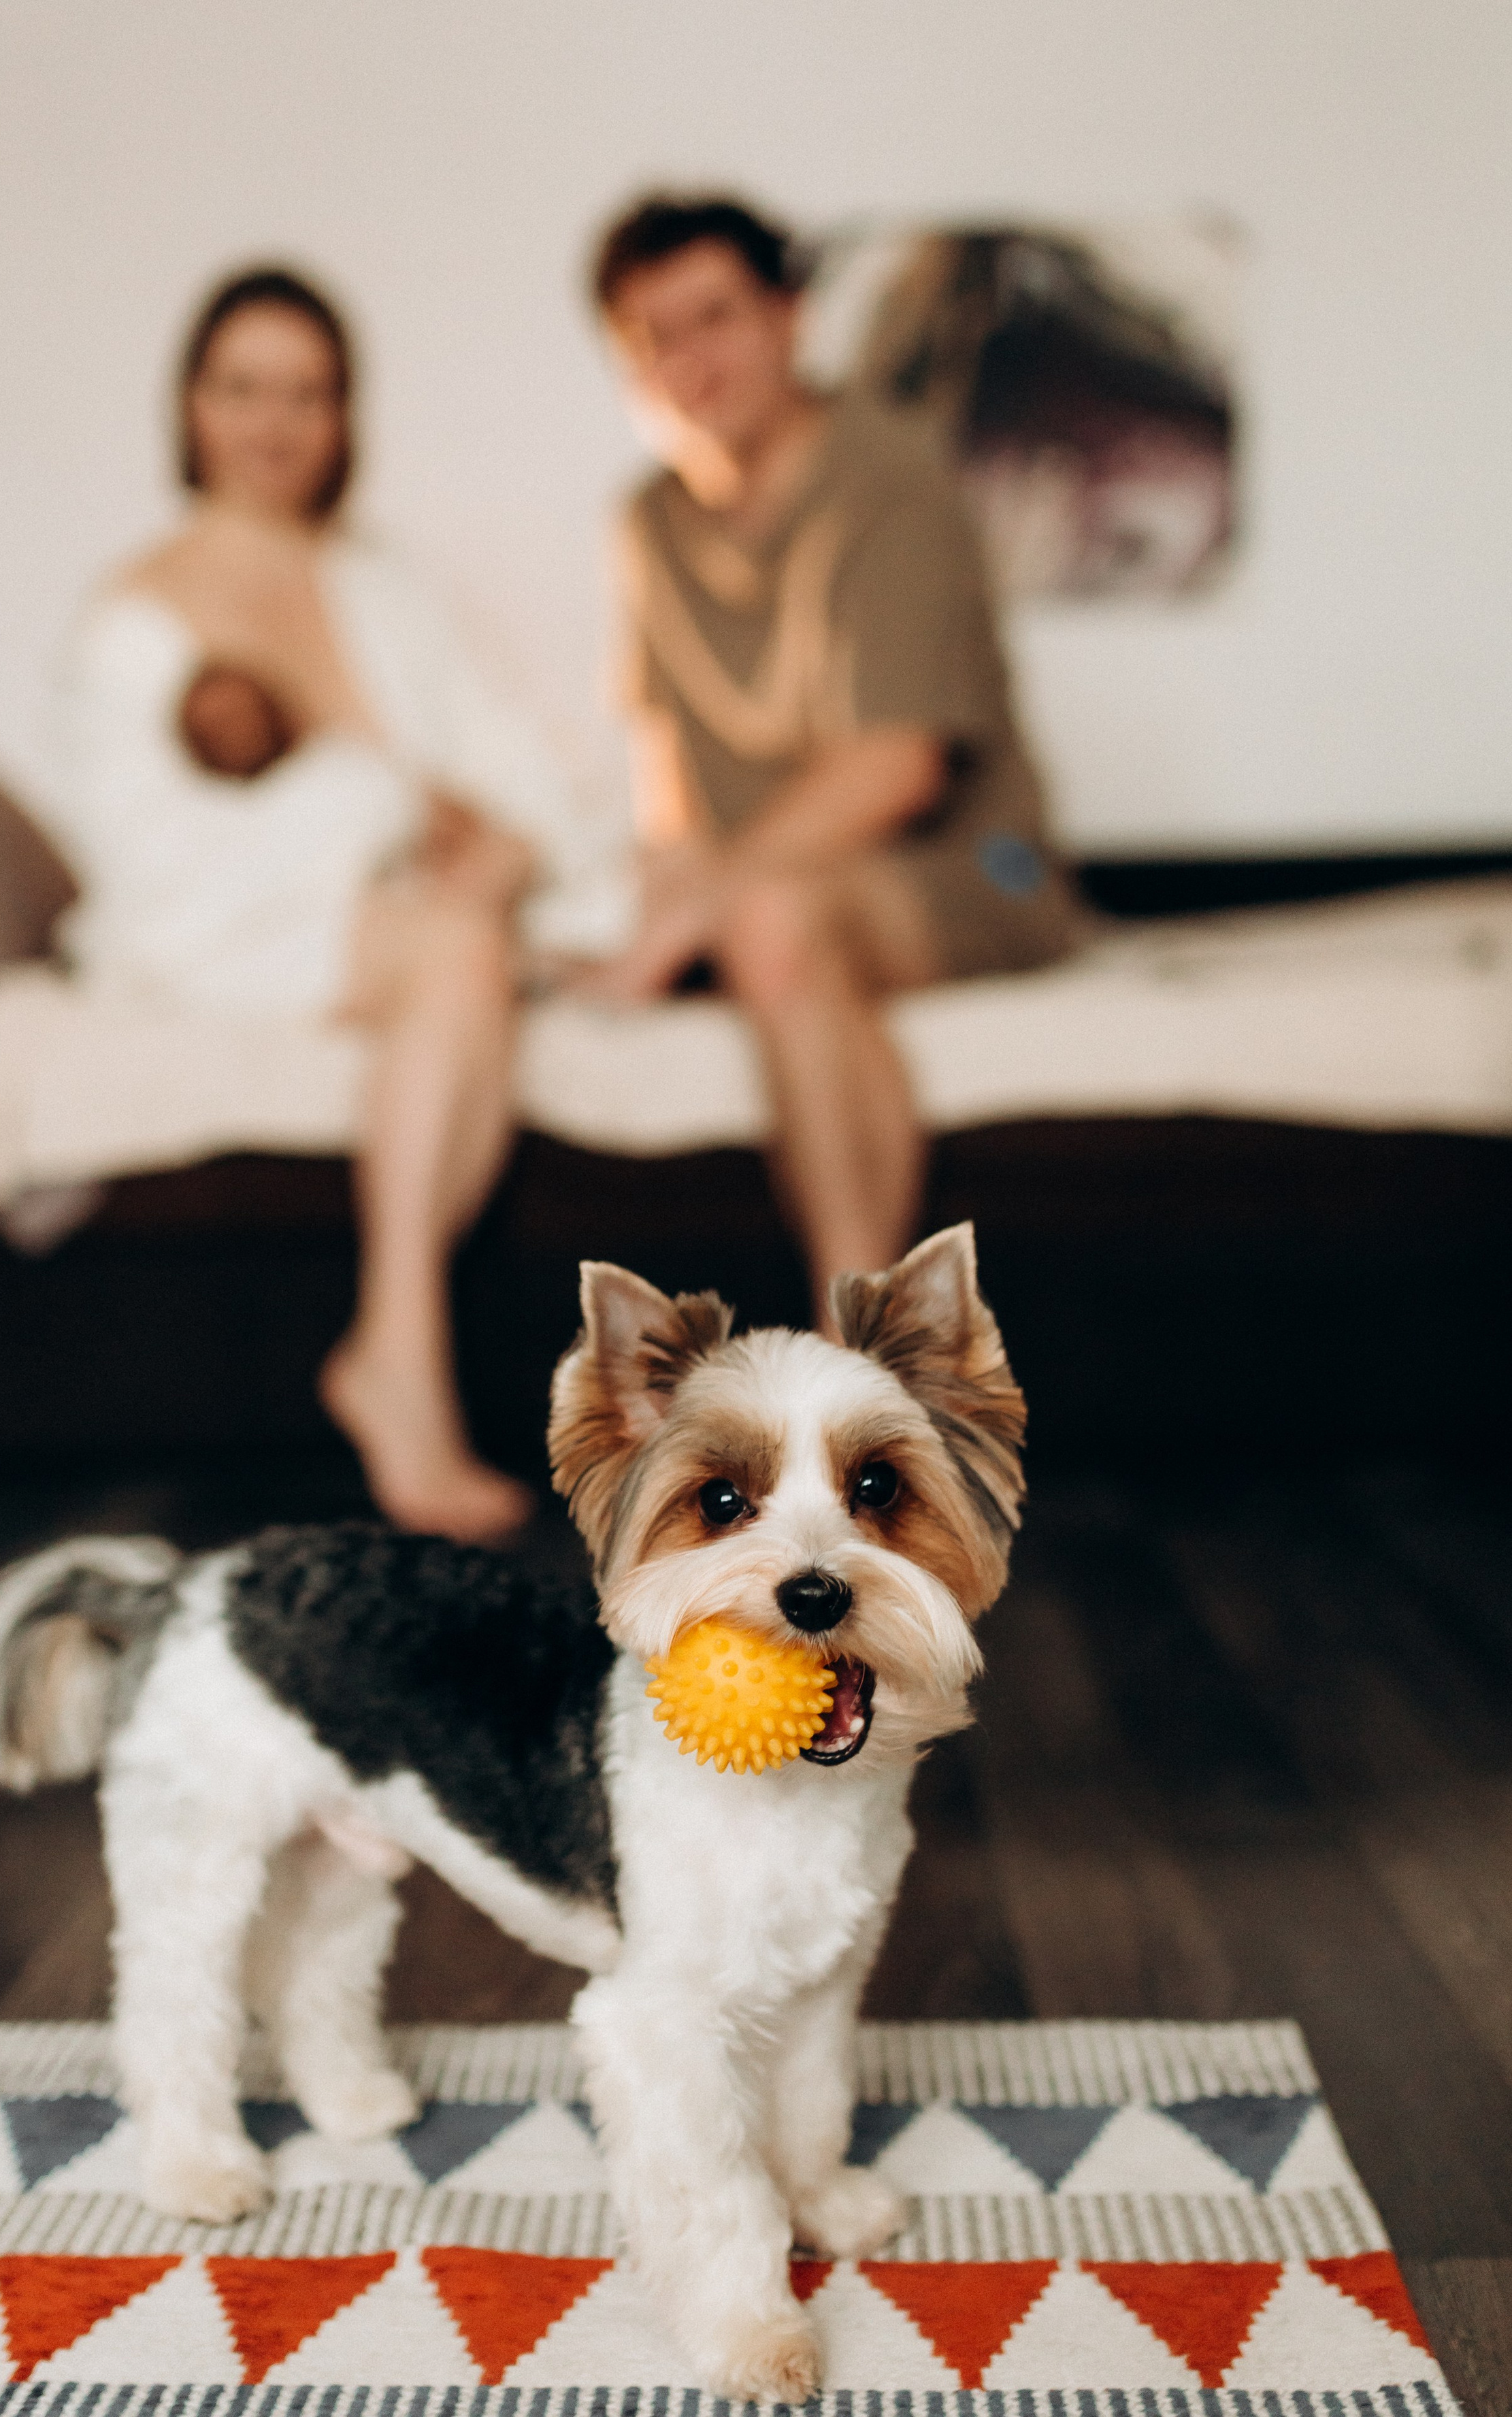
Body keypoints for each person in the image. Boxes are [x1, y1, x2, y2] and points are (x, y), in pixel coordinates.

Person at [62, 267, 618, 1540]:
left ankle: (385, 1345)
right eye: (244, 387)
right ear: (192, 406)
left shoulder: (389, 588)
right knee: (454, 949)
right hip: (227, 925)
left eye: (307, 392)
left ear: (344, 416)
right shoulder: (133, 619)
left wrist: (508, 851)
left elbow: (514, 762)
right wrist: (386, 829)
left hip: (418, 914)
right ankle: (400, 1363)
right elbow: (160, 855)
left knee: (465, 944)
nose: (275, 422)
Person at [589, 196, 1088, 1309]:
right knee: (762, 919)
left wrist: (704, 905)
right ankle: (879, 1361)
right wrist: (653, 918)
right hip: (779, 890)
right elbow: (666, 773)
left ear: (788, 317)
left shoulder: (890, 479)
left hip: (981, 868)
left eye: (713, 316)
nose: (689, 357)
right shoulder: (646, 523)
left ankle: (855, 1353)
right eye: (652, 334)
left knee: (772, 915)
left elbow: (896, 767)